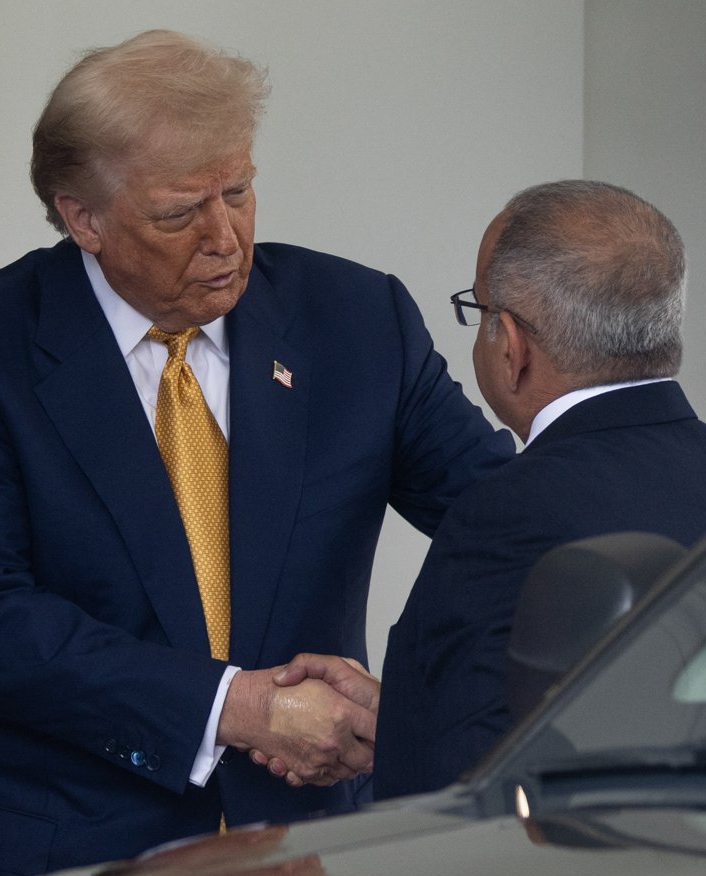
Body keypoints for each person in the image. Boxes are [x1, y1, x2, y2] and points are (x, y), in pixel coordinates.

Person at [0, 30, 512, 876]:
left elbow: (507, 531)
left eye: (239, 191)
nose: (226, 237)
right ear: (82, 216)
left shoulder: (357, 320)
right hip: (71, 868)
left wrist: (419, 707)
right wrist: (234, 708)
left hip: (315, 855)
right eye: (180, 212)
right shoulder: (0, 346)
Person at [273, 180, 706, 800]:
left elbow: (455, 788)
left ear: (511, 344)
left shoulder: (506, 511)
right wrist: (399, 715)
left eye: (476, 312)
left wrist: (412, 735)